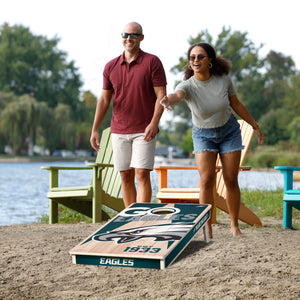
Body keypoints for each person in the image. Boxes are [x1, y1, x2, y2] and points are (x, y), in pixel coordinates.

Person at [160, 43, 264, 238]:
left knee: (231, 179)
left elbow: (236, 104)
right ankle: (207, 227)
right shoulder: (187, 85)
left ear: (209, 60)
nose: (196, 60)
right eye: (192, 58)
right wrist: (167, 100)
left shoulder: (223, 80)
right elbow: (177, 96)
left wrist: (254, 125)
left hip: (229, 132)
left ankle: (234, 226)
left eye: (200, 57)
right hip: (203, 135)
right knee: (206, 180)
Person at [90, 22, 167, 208]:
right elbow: (104, 100)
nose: (129, 38)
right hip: (119, 130)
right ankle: (129, 220)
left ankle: (141, 218)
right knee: (125, 175)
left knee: (141, 173)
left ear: (141, 37)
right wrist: (94, 130)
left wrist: (154, 123)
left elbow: (161, 96)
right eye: (125, 34)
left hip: (144, 129)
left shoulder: (152, 62)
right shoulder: (111, 66)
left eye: (134, 35)